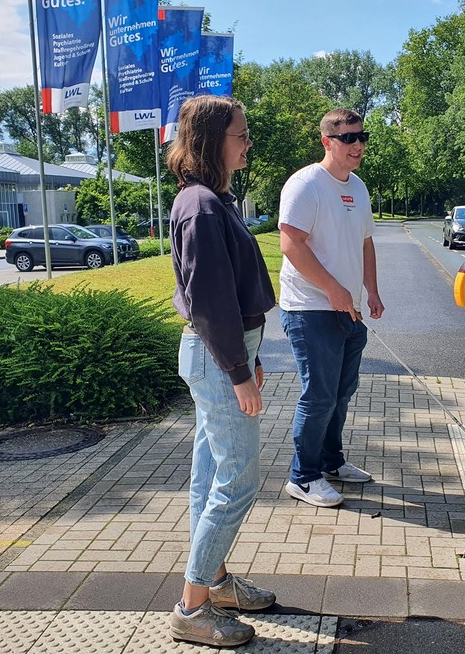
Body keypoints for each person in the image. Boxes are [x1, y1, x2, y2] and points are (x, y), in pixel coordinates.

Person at [166, 95, 276, 648]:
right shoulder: (205, 207)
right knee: (237, 483)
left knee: (210, 478)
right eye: (241, 133)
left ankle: (213, 580)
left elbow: (225, 295)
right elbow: (210, 301)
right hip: (217, 361)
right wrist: (240, 372)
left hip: (220, 355)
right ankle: (192, 606)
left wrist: (247, 356)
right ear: (213, 141)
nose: (248, 141)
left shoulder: (213, 200)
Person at [279, 107, 385, 508]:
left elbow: (366, 242)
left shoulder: (357, 187)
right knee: (319, 395)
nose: (357, 145)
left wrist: (370, 291)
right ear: (327, 141)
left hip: (348, 309)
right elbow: (290, 244)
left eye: (362, 137)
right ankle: (302, 478)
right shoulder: (306, 184)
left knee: (341, 393)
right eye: (348, 138)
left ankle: (331, 461)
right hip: (309, 309)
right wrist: (333, 289)